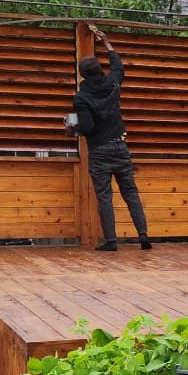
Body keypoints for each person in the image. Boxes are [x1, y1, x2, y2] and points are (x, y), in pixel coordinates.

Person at [69, 26, 152, 253]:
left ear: (82, 75)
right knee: (130, 192)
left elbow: (87, 127)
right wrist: (106, 42)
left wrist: (72, 128)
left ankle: (111, 241)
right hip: (120, 146)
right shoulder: (113, 83)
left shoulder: (81, 98)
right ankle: (143, 235)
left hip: (99, 151)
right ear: (99, 70)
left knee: (105, 196)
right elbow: (118, 65)